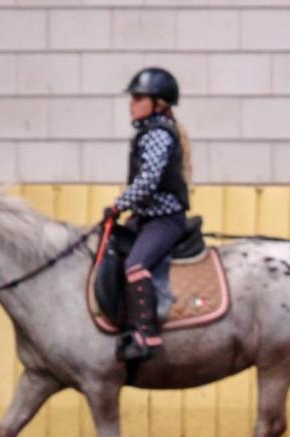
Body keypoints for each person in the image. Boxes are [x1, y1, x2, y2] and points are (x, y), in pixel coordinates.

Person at [105, 67, 193, 363]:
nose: (132, 103)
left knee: (135, 264)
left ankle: (146, 333)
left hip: (164, 220)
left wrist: (119, 204)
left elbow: (148, 181)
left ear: (160, 103)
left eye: (139, 97)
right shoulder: (148, 132)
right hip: (145, 218)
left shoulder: (157, 134)